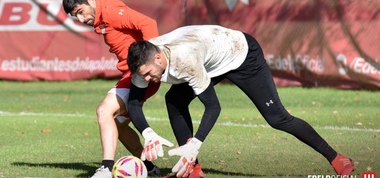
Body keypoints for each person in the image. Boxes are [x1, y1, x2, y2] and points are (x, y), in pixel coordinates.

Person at [125, 25, 355, 178]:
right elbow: (134, 103)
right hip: (211, 57)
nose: (147, 80)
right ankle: (192, 171)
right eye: (142, 75)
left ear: (158, 57)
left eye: (148, 74)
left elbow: (213, 107)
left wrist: (195, 144)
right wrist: (147, 132)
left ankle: (337, 158)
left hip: (242, 55)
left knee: (277, 118)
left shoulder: (185, 61)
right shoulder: (142, 61)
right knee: (174, 99)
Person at [62, 0, 165, 178]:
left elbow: (148, 23)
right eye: (76, 16)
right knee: (117, 124)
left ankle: (106, 168)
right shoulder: (102, 16)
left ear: (92, 0)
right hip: (136, 75)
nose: (81, 19)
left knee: (104, 111)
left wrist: (151, 62)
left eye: (81, 11)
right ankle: (147, 166)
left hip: (139, 76)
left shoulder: (110, 11)